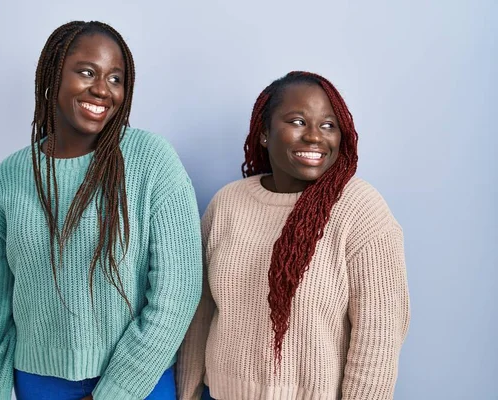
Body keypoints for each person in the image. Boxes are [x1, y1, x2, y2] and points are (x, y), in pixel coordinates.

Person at [0, 20, 202, 400]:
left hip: (138, 382)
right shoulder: (11, 177)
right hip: (38, 384)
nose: (102, 89)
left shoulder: (152, 161)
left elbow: (177, 292)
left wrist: (112, 393)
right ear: (52, 75)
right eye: (87, 72)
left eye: (116, 78)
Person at [176, 71, 410, 400]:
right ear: (264, 134)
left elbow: (379, 334)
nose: (315, 137)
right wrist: (186, 395)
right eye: (298, 121)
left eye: (328, 125)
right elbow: (199, 313)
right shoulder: (227, 203)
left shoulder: (359, 208)